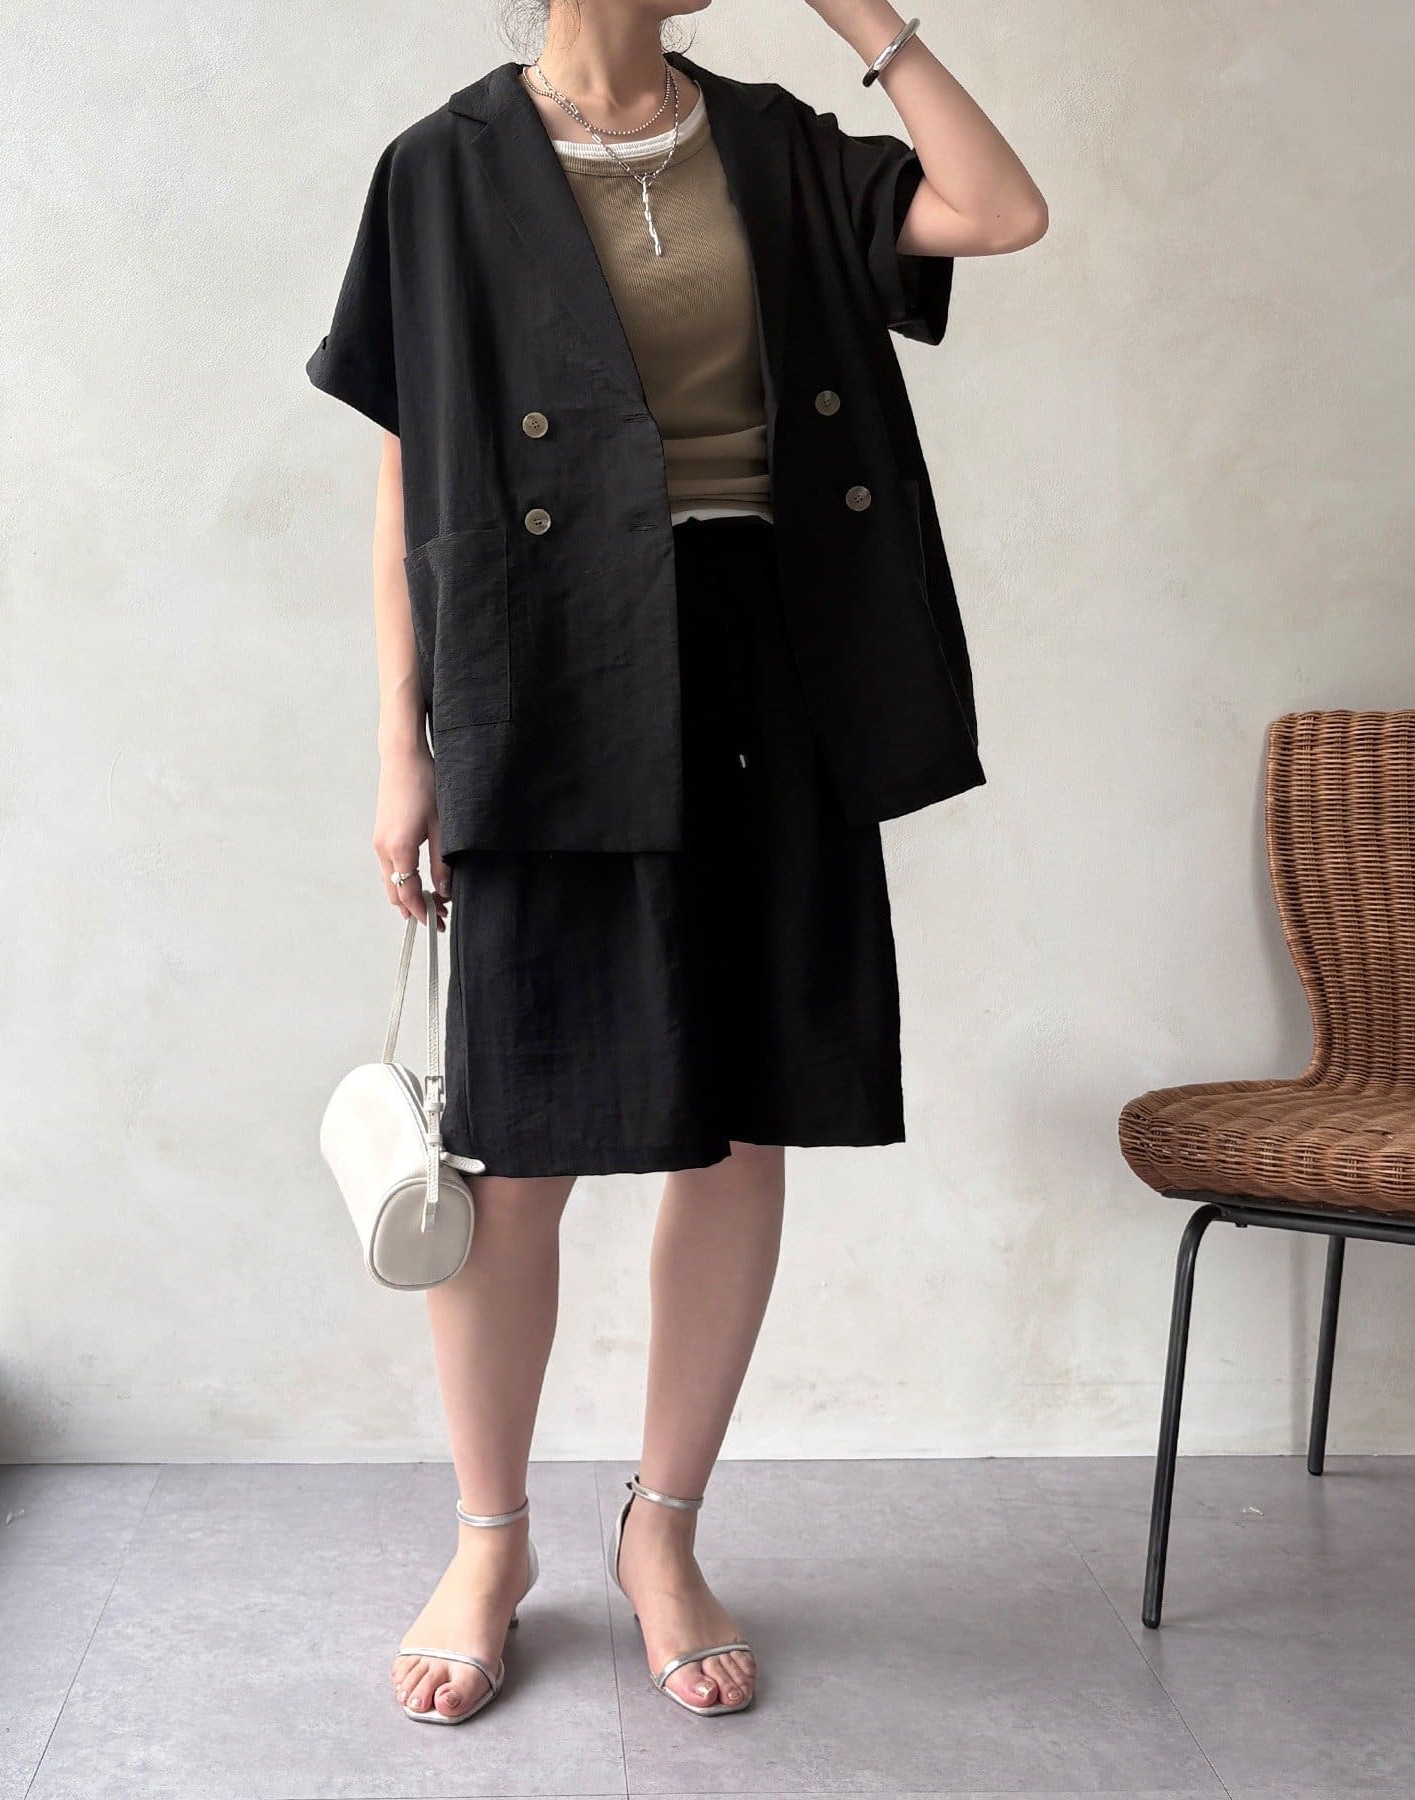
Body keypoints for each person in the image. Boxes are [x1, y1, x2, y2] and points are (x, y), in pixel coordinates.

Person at [306, 0, 1046, 1727]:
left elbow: (999, 210)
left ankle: (665, 1529)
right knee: (516, 1146)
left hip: (773, 660)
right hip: (551, 668)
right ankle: (490, 1544)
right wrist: (406, 745)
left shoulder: (773, 139)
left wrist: (872, 19)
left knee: (741, 1119)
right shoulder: (442, 171)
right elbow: (410, 478)